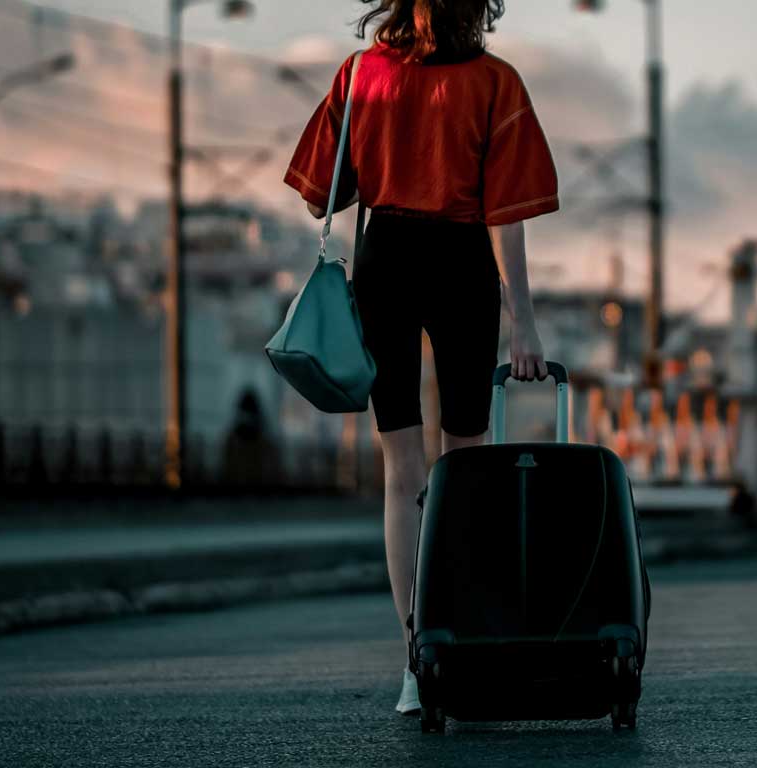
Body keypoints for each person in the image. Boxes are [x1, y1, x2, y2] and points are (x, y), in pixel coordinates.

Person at [284, 0, 556, 716]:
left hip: (386, 265)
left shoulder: (357, 74)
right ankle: (457, 643)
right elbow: (506, 215)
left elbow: (321, 197)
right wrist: (522, 320)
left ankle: (418, 660)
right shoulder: (496, 83)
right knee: (465, 461)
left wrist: (382, 137)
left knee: (401, 469)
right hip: (464, 266)